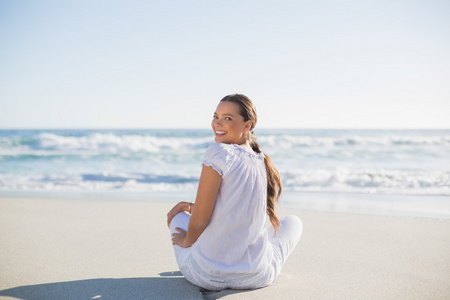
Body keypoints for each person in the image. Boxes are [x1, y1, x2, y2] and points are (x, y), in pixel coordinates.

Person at [167, 94, 302, 290]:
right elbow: (232, 207)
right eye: (216, 116)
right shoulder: (261, 161)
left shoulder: (219, 152)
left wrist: (187, 241)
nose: (217, 124)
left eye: (227, 118)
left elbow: (201, 218)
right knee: (293, 223)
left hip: (204, 275)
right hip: (255, 277)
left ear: (247, 126)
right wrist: (190, 206)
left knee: (179, 216)